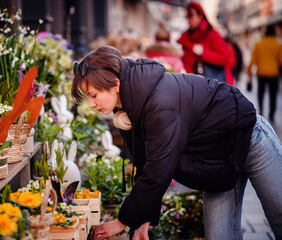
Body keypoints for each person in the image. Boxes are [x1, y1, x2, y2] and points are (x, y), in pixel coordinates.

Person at [71, 45, 282, 240]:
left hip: (250, 139)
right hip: (216, 161)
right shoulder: (127, 108)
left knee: (279, 215)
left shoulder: (159, 105)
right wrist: (143, 218)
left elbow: (158, 169)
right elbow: (146, 162)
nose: (90, 104)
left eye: (93, 95)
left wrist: (123, 221)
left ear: (115, 84)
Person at [177, 2, 234, 85]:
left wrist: (204, 53)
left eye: (190, 15)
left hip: (216, 86)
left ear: (200, 16)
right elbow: (186, 64)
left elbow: (225, 58)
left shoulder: (212, 34)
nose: (188, 19)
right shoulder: (186, 38)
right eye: (186, 16)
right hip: (195, 87)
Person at [247, 25, 282, 123]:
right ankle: (271, 114)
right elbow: (281, 60)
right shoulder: (277, 44)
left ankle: (261, 109)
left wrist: (249, 71)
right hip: (273, 74)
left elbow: (253, 59)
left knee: (261, 92)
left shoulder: (259, 44)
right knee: (273, 95)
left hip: (261, 73)